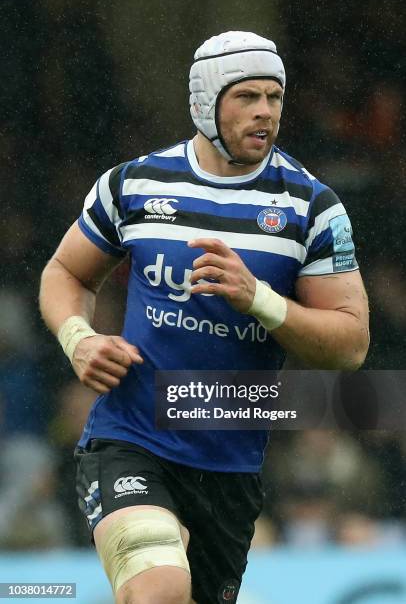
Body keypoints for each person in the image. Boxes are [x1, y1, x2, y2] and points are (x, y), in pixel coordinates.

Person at [39, 31, 369, 604]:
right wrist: (79, 339)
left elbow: (350, 344)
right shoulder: (135, 184)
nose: (265, 111)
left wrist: (259, 299)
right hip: (131, 436)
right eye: (247, 96)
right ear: (204, 103)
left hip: (229, 464)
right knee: (159, 587)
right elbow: (64, 273)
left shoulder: (311, 208)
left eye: (275, 96)